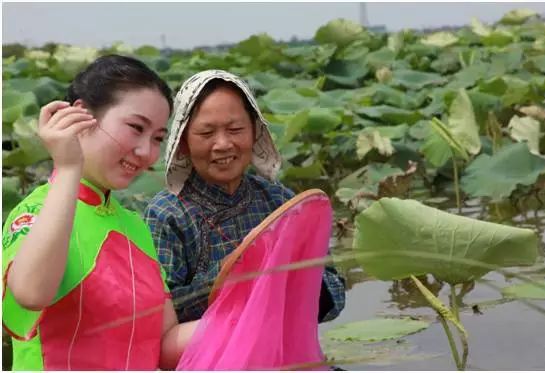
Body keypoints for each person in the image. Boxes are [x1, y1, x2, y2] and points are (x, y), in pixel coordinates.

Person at [2, 55, 197, 371]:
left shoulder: (134, 224)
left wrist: (242, 315)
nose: (147, 152)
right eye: (136, 127)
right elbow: (30, 293)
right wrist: (68, 167)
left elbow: (162, 344)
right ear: (80, 116)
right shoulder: (37, 211)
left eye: (158, 139)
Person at [144, 69, 346, 324]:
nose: (223, 144)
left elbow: (336, 292)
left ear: (255, 131)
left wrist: (295, 278)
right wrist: (232, 277)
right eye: (206, 134)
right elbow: (159, 312)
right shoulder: (167, 213)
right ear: (183, 142)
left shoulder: (279, 200)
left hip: (283, 355)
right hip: (209, 359)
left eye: (235, 129)